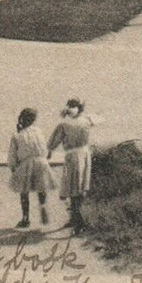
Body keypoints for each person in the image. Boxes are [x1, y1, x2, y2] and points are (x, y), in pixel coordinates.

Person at [47, 99, 96, 234]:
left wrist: (49, 151)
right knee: (78, 186)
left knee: (73, 187)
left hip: (73, 156)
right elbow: (98, 118)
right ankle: (75, 218)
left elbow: (54, 141)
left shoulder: (64, 124)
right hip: (84, 155)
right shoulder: (87, 120)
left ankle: (78, 221)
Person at [8, 108, 56, 228]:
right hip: (41, 161)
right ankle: (43, 208)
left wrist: (13, 168)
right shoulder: (38, 131)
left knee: (24, 191)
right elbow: (44, 149)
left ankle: (26, 218)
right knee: (42, 187)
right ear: (33, 120)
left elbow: (12, 155)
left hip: (26, 163)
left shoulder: (17, 134)